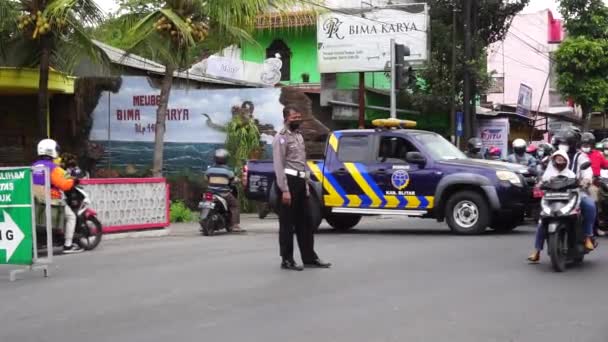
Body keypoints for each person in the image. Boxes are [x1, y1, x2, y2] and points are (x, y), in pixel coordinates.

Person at [273, 105, 331, 271]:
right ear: (286, 118)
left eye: (299, 117)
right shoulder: (281, 137)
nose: (297, 119)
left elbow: (303, 162)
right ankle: (287, 259)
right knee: (287, 224)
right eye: (294, 117)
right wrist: (284, 189)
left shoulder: (299, 136)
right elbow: (279, 165)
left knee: (305, 223)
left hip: (300, 182)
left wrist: (306, 184)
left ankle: (309, 257)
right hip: (288, 182)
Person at [528, 149, 596, 263]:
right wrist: (539, 184)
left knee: (589, 205)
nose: (560, 162)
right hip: (552, 199)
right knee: (542, 223)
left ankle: (588, 237)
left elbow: (586, 174)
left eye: (562, 159)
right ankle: (537, 250)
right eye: (557, 159)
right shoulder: (549, 171)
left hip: (572, 195)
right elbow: (541, 182)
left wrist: (585, 180)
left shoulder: (577, 163)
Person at [32, 139, 82, 253]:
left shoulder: (34, 165)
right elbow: (64, 184)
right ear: (51, 151)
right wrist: (74, 181)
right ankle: (68, 245)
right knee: (71, 217)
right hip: (51, 200)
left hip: (36, 200)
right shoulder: (53, 167)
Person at [205, 149, 244, 233]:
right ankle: (235, 225)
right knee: (235, 205)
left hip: (210, 192)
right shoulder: (227, 171)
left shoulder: (210, 169)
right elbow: (233, 179)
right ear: (226, 159)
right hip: (223, 193)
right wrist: (238, 180)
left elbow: (206, 178)